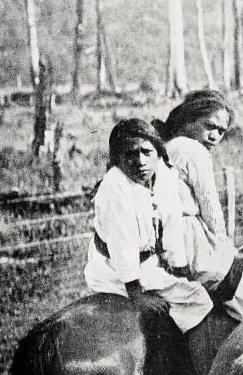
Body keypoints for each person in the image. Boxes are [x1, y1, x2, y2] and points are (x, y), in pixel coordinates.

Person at [154, 90, 243, 322]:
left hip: (164, 246)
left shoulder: (165, 147)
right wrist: (226, 249)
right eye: (209, 126)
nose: (215, 136)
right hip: (193, 248)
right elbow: (211, 212)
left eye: (221, 131)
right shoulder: (194, 151)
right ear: (188, 120)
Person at [84, 118, 212, 334]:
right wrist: (135, 291)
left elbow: (172, 225)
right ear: (118, 159)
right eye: (130, 154)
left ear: (158, 152)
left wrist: (179, 268)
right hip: (114, 270)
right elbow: (121, 244)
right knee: (198, 300)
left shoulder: (166, 175)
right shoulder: (115, 188)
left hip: (149, 263)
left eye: (146, 152)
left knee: (191, 285)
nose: (140, 161)